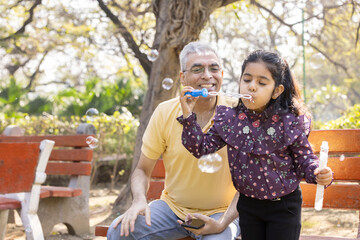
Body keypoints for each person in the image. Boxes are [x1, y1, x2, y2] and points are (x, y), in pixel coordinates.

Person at [178, 50, 333, 240]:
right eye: (247, 80)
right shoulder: (231, 120)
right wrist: (188, 115)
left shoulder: (288, 122)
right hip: (248, 206)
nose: (252, 87)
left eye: (261, 83)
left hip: (283, 206)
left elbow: (304, 159)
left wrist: (317, 172)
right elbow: (200, 148)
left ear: (277, 90)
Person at [107, 42, 241, 239]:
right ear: (182, 77)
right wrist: (138, 201)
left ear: (221, 73)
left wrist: (223, 223)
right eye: (197, 69)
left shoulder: (238, 113)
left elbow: (251, 182)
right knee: (119, 232)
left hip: (222, 213)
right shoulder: (164, 112)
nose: (207, 75)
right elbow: (142, 170)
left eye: (213, 68)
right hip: (172, 211)